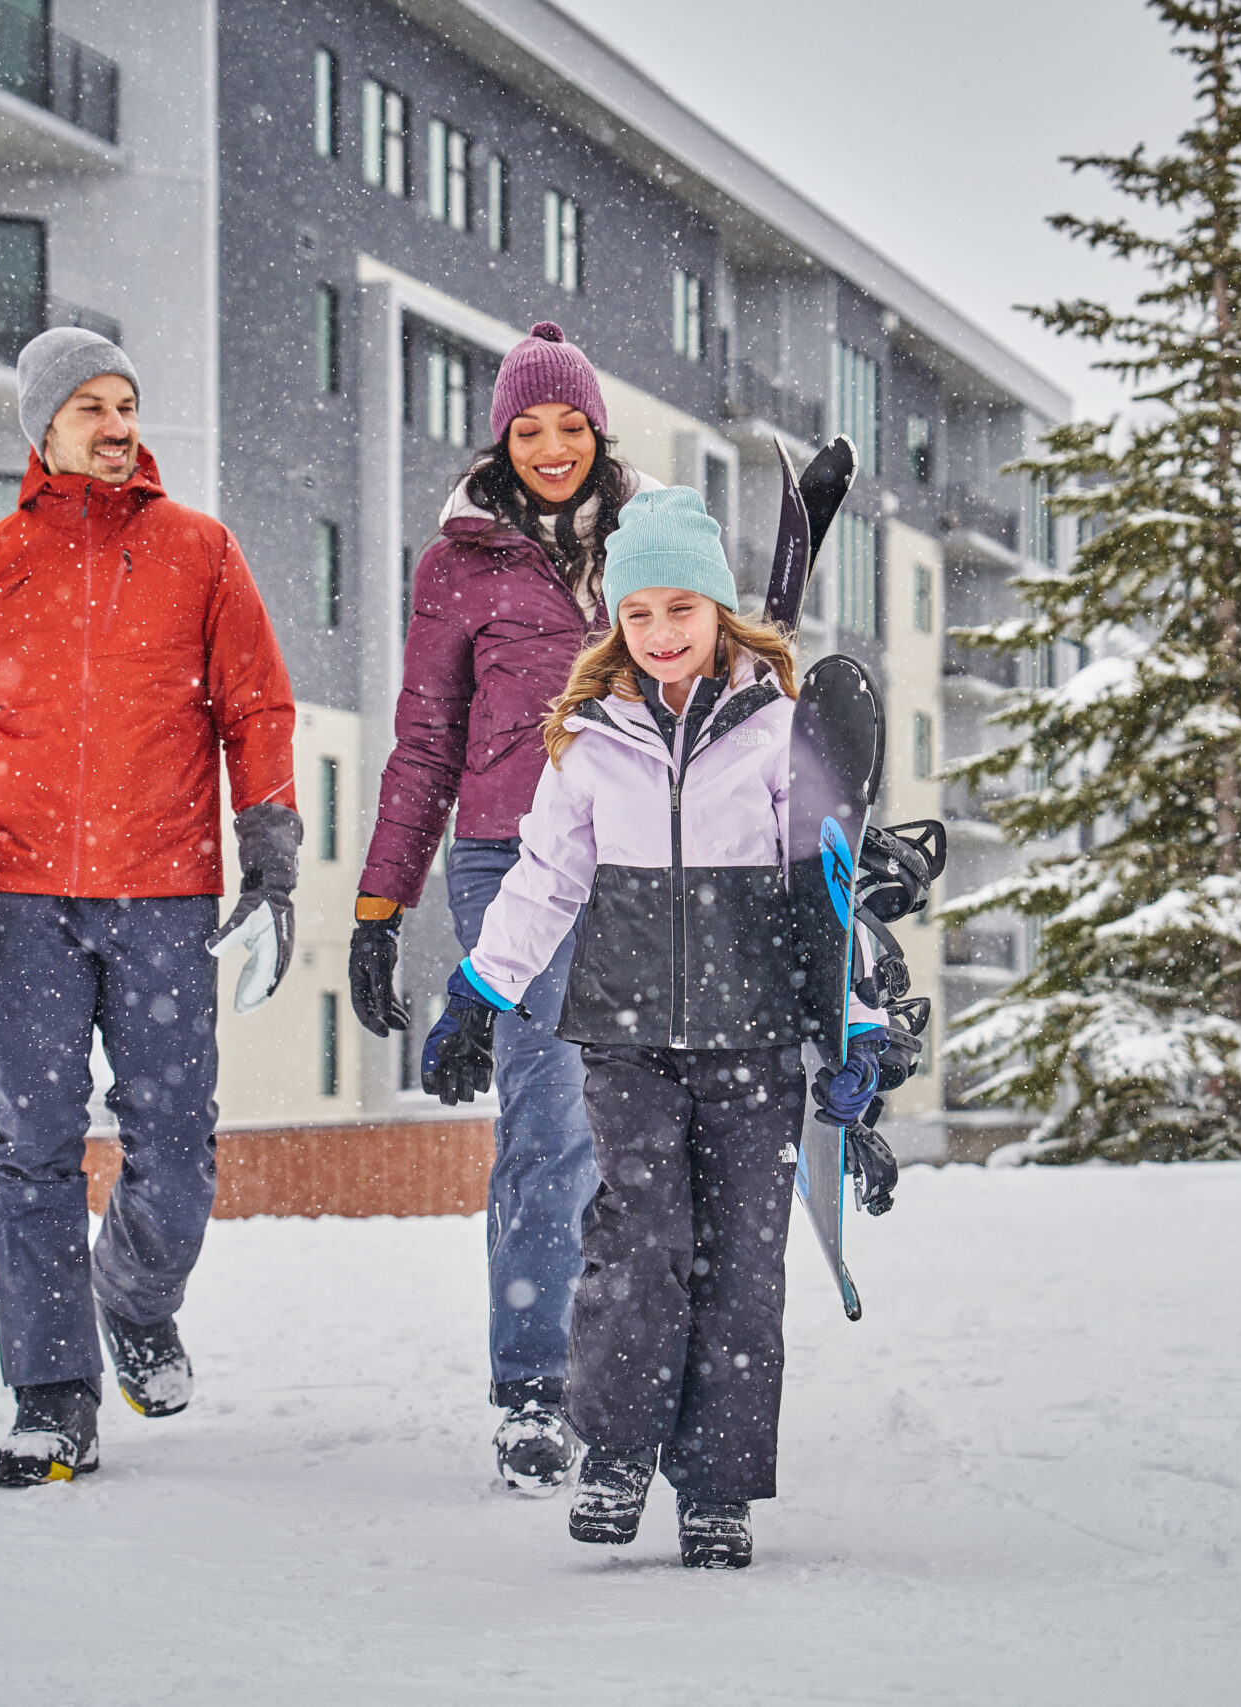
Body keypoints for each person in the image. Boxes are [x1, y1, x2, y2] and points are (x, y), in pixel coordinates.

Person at [419, 487, 891, 1569]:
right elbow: (542, 883)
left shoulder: (779, 739)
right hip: (625, 1040)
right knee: (635, 1246)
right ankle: (619, 1452)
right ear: (616, 624)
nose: (662, 632)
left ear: (721, 613)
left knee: (740, 1266)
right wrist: (479, 993)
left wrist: (856, 1020)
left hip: (752, 1043)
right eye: (639, 613)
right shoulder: (588, 743)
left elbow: (829, 898)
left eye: (682, 608)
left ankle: (718, 1487)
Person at [0, 326, 301, 1487]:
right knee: (32, 1153)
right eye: (90, 407)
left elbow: (257, 712)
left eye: (126, 403)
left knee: (175, 1147)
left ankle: (132, 1297)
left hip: (165, 893)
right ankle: (51, 1396)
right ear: (43, 428)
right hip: (22, 899)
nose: (118, 425)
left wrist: (269, 855)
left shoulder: (200, 554)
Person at [348, 321, 656, 1493]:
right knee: (547, 1123)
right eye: (527, 429)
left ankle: (631, 1370)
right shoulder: (462, 565)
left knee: (642, 1128)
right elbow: (424, 744)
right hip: (505, 858)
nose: (549, 447)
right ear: (501, 438)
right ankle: (532, 1391)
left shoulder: (652, 542)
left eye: (567, 425)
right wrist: (381, 907)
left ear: (595, 428)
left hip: (645, 862)